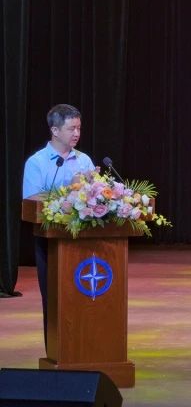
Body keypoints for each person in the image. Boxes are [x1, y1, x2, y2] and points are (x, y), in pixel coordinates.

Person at [21, 104, 93, 336]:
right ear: (54, 130)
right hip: (50, 241)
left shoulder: (84, 160)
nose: (76, 133)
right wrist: (71, 190)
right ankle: (56, 347)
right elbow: (32, 198)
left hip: (84, 240)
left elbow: (93, 194)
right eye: (71, 128)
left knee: (84, 298)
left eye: (79, 128)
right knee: (55, 300)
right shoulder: (37, 162)